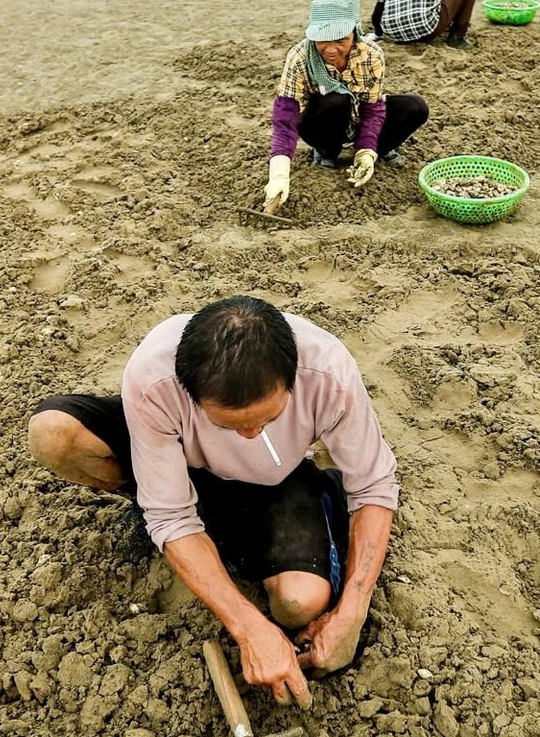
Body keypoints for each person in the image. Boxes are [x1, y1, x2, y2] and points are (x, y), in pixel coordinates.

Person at [27, 297, 400, 707]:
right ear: (190, 392)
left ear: (293, 380)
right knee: (54, 433)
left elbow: (372, 486)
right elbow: (172, 518)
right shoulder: (154, 378)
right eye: (231, 424)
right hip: (185, 459)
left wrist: (351, 614)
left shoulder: (328, 372)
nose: (251, 435)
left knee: (299, 604)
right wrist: (247, 628)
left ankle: (308, 503)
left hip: (281, 478)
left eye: (267, 419)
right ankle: (161, 495)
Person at [262, 0, 430, 216]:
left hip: (358, 119)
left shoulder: (371, 54)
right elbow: (285, 117)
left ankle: (375, 153)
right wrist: (279, 175)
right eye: (322, 40)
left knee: (415, 107)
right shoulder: (300, 57)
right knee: (336, 100)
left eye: (341, 40)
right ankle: (326, 152)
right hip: (322, 122)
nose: (331, 50)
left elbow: (373, 109)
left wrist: (366, 151)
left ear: (355, 31)